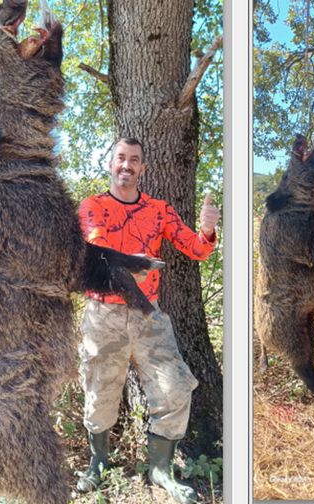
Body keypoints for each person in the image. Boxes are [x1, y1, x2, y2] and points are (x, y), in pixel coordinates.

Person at [76, 138, 219, 504]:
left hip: (148, 315)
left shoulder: (158, 209)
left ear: (142, 169)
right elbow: (97, 246)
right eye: (121, 158)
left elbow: (197, 250)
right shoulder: (92, 207)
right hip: (103, 315)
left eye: (134, 160)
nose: (127, 165)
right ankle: (99, 462)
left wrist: (207, 231)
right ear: (110, 164)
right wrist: (129, 266)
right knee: (99, 392)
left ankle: (160, 470)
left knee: (174, 388)